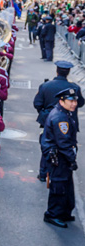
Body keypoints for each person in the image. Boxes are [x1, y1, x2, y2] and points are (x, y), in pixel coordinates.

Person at [41, 88, 80, 228]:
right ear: (61, 101)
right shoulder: (60, 118)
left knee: (66, 186)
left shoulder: (64, 113)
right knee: (58, 186)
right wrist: (72, 159)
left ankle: (63, 212)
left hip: (62, 157)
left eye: (75, 100)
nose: (74, 104)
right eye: (70, 101)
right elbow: (63, 143)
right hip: (59, 158)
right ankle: (52, 214)